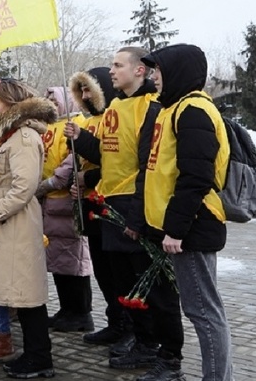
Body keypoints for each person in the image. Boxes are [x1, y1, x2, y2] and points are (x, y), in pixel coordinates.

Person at [66, 47, 184, 373]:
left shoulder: (151, 106)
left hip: (134, 204)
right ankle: (141, 339)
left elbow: (149, 164)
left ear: (139, 71)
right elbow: (104, 154)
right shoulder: (116, 106)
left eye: (118, 65)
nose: (112, 71)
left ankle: (159, 348)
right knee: (123, 283)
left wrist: (136, 213)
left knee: (149, 285)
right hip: (109, 204)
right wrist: (79, 137)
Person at [141, 44, 234, 381]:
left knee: (204, 313)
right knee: (204, 311)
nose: (153, 77)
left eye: (158, 70)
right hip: (186, 227)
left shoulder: (193, 110)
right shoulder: (174, 109)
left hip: (194, 227)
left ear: (177, 71)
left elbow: (196, 177)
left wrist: (176, 230)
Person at [0, 79, 56, 378]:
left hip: (14, 221)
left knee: (25, 292)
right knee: (15, 289)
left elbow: (24, 188)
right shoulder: (10, 135)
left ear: (10, 103)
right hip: (6, 221)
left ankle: (39, 357)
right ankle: (34, 354)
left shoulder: (24, 138)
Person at [68, 67, 130, 350]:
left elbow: (113, 161)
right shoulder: (86, 120)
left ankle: (128, 326)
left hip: (110, 202)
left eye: (88, 88)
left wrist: (86, 178)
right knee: (103, 272)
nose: (84, 95)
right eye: (80, 91)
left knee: (119, 272)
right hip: (90, 204)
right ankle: (115, 321)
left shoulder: (113, 118)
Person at [38, 87, 93, 333]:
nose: (50, 103)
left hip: (67, 203)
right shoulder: (48, 127)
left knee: (74, 261)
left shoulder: (77, 124)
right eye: (47, 100)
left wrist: (44, 186)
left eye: (54, 99)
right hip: (50, 206)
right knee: (59, 262)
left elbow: (70, 165)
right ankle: (66, 309)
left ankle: (81, 313)